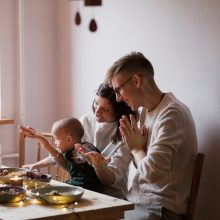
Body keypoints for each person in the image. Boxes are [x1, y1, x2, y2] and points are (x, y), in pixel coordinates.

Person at [88, 52, 198, 220]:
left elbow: (151, 173)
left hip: (161, 210)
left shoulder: (172, 114)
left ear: (136, 81)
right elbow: (143, 165)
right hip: (136, 203)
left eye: (118, 90)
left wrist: (137, 148)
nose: (117, 98)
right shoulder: (146, 112)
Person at [21, 83, 138, 198]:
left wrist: (99, 166)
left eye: (105, 109)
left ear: (119, 111)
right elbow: (64, 153)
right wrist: (36, 161)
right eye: (96, 103)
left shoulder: (127, 133)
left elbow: (110, 179)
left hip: (110, 197)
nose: (97, 111)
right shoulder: (86, 121)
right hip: (81, 191)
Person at [18, 117, 103, 192]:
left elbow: (88, 157)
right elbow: (53, 158)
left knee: (53, 188)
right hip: (79, 184)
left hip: (86, 185)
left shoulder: (83, 148)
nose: (55, 142)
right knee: (51, 187)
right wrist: (33, 165)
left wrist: (85, 154)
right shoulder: (68, 151)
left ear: (69, 139)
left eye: (56, 139)